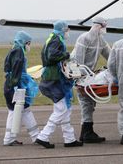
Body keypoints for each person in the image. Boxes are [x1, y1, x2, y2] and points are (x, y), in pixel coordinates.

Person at [35, 20, 83, 149]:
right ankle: (43, 136)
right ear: (62, 29)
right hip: (54, 80)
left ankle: (70, 139)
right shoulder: (56, 40)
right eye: (67, 29)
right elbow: (52, 56)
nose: (68, 31)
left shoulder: (52, 38)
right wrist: (67, 55)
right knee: (62, 110)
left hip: (52, 79)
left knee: (65, 110)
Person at [72, 17, 110, 143]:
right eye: (104, 27)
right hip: (80, 76)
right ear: (98, 26)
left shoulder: (101, 40)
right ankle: (86, 133)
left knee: (90, 104)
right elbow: (78, 61)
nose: (105, 29)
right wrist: (79, 79)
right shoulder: (84, 39)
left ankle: (87, 132)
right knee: (86, 104)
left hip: (89, 76)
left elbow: (110, 56)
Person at [3, 31, 40, 146]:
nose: (29, 45)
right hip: (16, 87)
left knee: (19, 111)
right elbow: (16, 72)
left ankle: (11, 138)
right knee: (20, 111)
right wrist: (17, 87)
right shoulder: (19, 52)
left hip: (11, 86)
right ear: (24, 42)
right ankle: (36, 137)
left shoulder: (14, 50)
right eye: (29, 43)